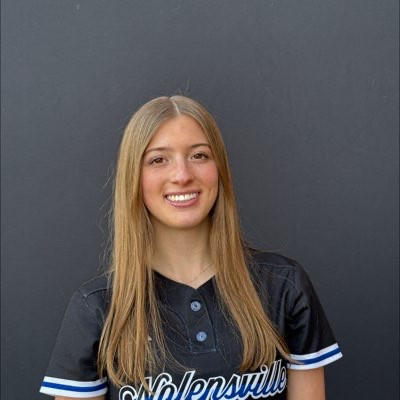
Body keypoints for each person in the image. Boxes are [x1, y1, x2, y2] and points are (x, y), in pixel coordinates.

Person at [39, 95, 342, 400]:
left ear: (219, 168)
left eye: (199, 155)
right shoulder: (96, 308)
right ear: (134, 177)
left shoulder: (284, 286)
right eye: (158, 160)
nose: (182, 175)